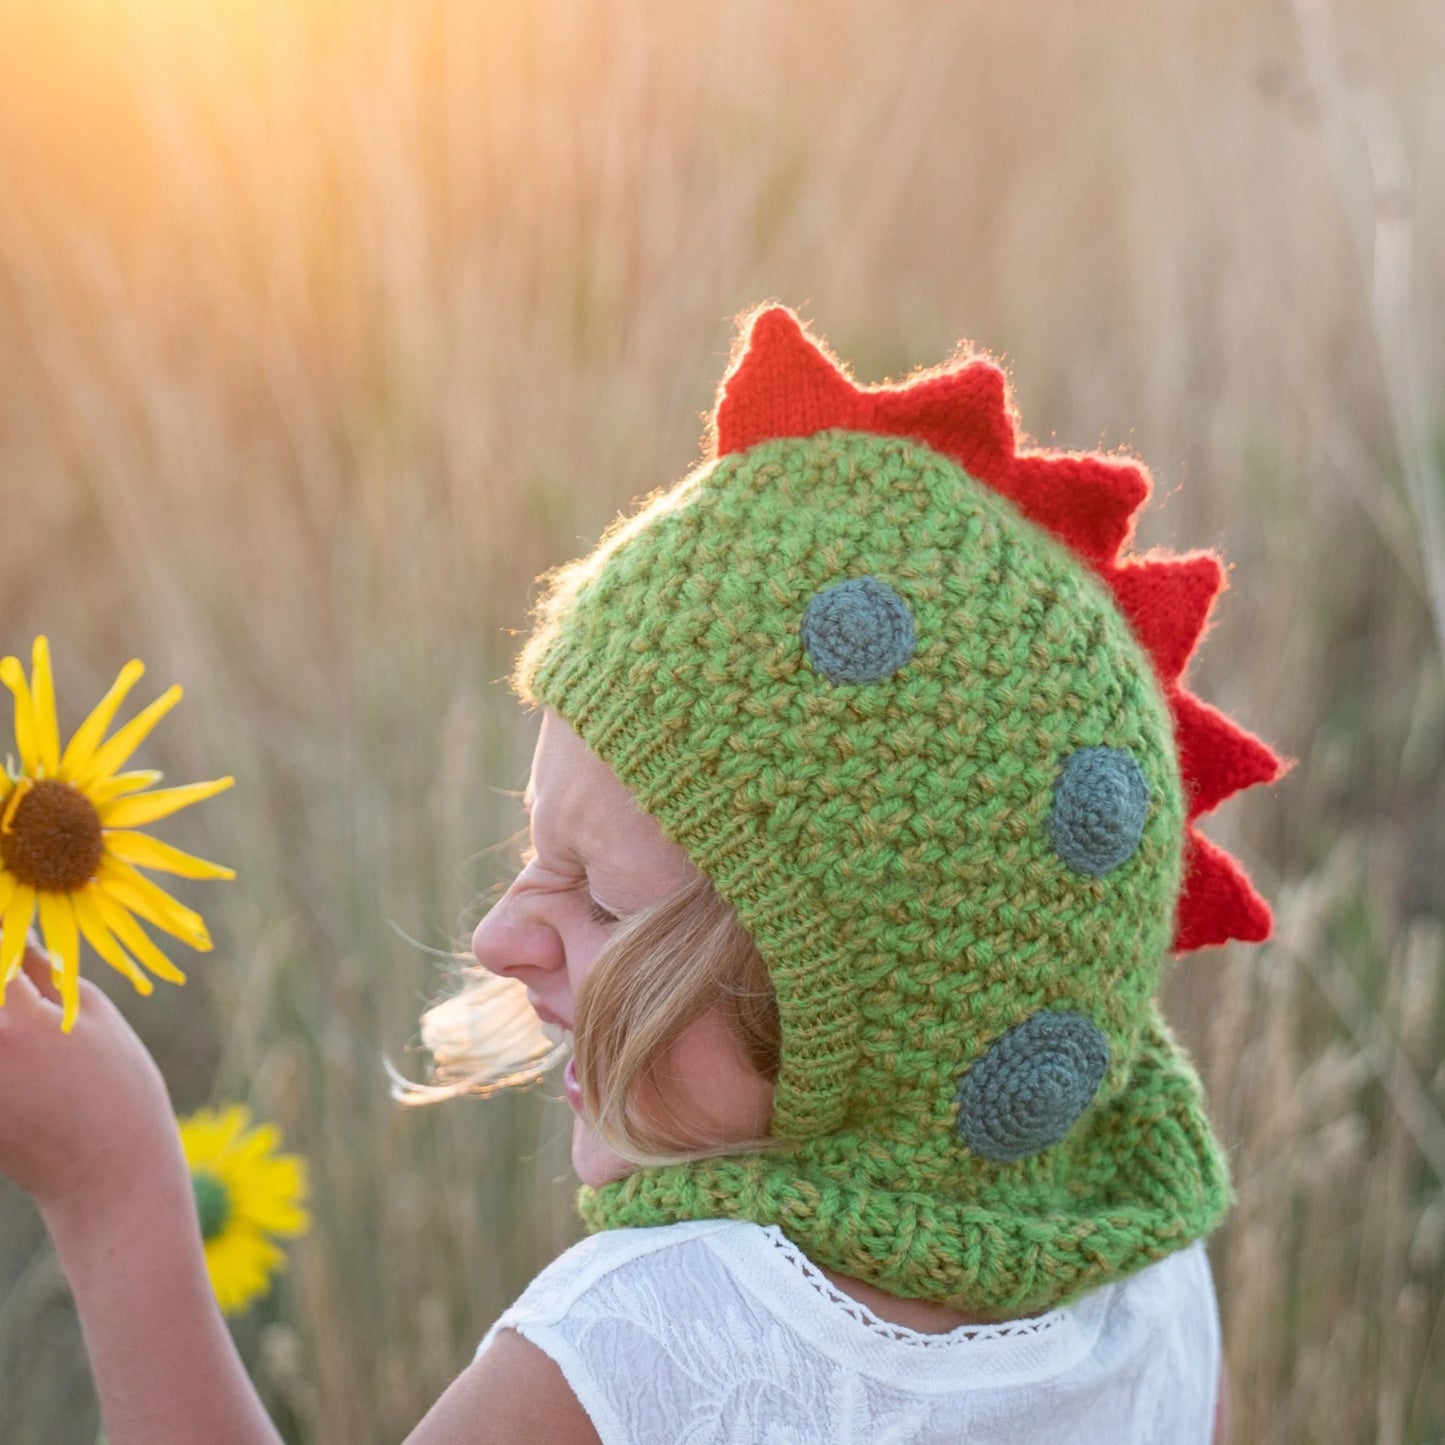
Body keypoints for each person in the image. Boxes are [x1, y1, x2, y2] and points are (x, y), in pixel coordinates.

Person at [0, 305, 1281, 1443]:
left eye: (599, 896)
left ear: (864, 1017)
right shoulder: (1149, 1277)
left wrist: (114, 1190)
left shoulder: (648, 1348)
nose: (502, 934)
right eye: (529, 850)